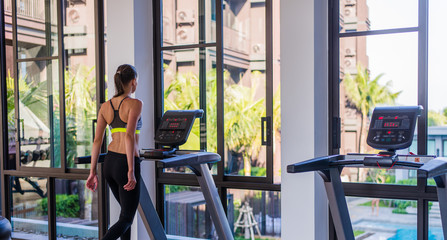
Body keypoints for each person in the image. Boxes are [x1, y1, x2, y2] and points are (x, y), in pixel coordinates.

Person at [86, 64, 143, 240]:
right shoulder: (135, 104)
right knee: (126, 218)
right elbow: (129, 136)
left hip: (109, 165)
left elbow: (97, 141)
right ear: (133, 82)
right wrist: (131, 171)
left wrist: (92, 171)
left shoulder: (105, 106)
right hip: (125, 163)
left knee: (124, 216)